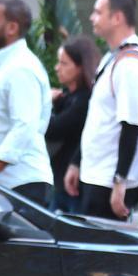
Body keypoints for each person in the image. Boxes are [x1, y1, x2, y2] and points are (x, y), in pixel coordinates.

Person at [64, 0, 138, 220]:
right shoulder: (111, 58)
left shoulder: (130, 66)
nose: (91, 18)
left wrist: (119, 182)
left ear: (117, 18)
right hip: (97, 176)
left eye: (98, 12)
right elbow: (98, 119)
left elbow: (131, 126)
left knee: (103, 243)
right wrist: (77, 162)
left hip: (110, 183)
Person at [0, 0, 53, 205]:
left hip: (22, 184)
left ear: (12, 28)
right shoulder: (4, 64)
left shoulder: (21, 68)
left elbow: (24, 125)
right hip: (3, 185)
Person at [46, 35, 98, 212]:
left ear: (80, 67)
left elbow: (52, 129)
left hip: (75, 186)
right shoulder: (67, 97)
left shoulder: (85, 100)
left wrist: (47, 105)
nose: (57, 68)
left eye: (64, 63)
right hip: (60, 182)